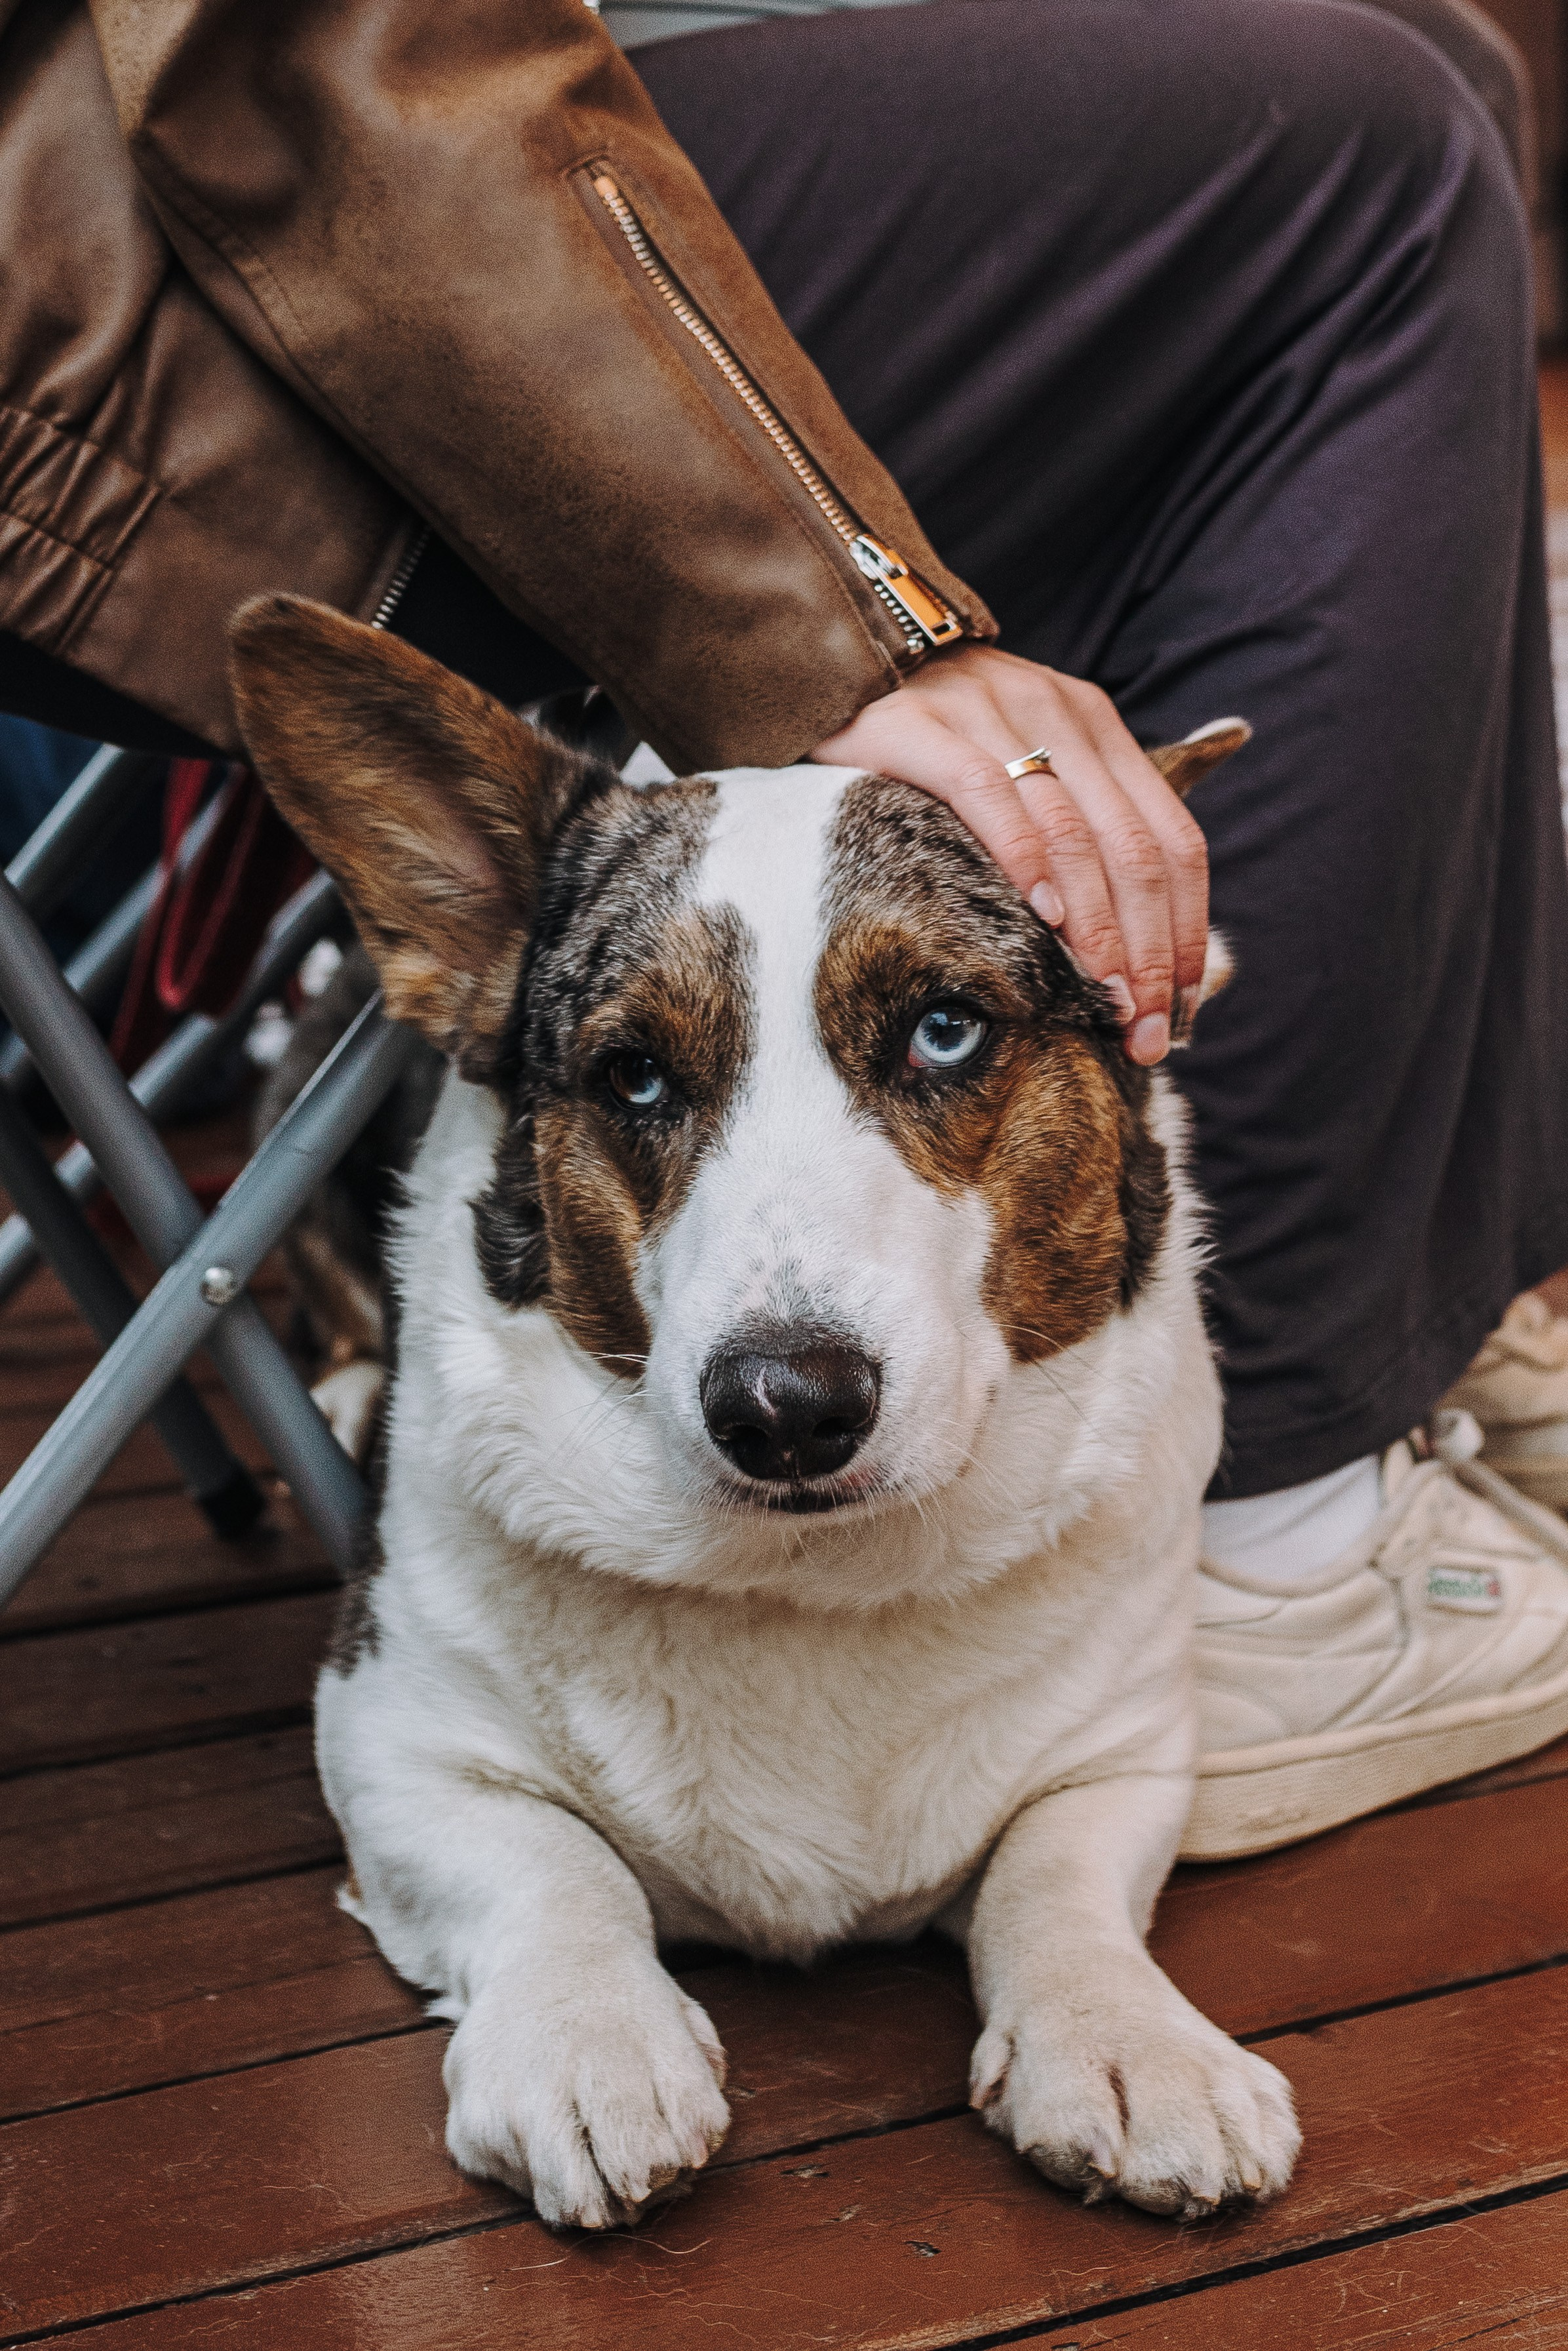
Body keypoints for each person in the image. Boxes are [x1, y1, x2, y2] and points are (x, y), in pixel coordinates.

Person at [3, 0, 1568, 1846]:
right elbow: (315, 44)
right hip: (105, 264)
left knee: (1439, 57)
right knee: (1361, 166)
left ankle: (1420, 1295)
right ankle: (1276, 1509)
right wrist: (847, 617)